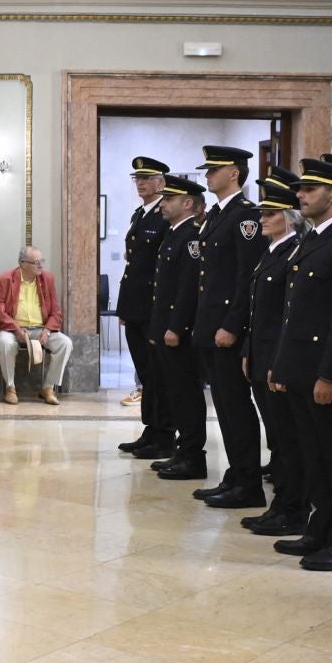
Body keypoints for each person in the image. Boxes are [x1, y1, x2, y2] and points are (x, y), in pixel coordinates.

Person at [270, 157, 332, 569]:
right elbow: (294, 313)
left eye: (310, 189)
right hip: (300, 368)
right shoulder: (311, 240)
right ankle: (320, 528)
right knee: (313, 456)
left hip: (325, 373)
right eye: (301, 188)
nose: (300, 194)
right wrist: (282, 364)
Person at [191, 146, 267, 506]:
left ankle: (249, 484)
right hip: (211, 326)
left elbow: (246, 277)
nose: (207, 175)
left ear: (234, 173)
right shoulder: (218, 214)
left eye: (214, 170)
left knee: (236, 406)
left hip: (227, 329)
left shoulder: (245, 217)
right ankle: (235, 475)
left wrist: (233, 324)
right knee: (222, 405)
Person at [240, 175, 308, 537]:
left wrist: (278, 363)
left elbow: (287, 317)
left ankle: (291, 507)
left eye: (270, 213)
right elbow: (258, 312)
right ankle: (281, 504)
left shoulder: (293, 253)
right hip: (262, 357)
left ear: (290, 218)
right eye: (262, 213)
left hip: (277, 361)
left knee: (287, 440)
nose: (262, 219)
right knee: (278, 436)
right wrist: (248, 351)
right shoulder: (272, 251)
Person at [149, 175, 208, 481]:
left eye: (169, 199)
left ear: (187, 204)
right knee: (175, 393)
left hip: (179, 332)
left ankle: (193, 456)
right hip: (165, 328)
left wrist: (176, 327)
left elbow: (188, 288)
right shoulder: (174, 234)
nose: (163, 204)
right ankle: (183, 451)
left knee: (187, 394)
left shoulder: (191, 237)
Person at [115, 157, 173, 457]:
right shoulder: (140, 214)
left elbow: (162, 271)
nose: (141, 183)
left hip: (153, 310)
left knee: (158, 375)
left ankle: (164, 435)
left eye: (147, 178)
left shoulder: (165, 216)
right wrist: (125, 309)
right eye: (137, 178)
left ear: (161, 182)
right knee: (145, 374)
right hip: (136, 308)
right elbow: (133, 267)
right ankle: (150, 429)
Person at [0, 247, 70, 405]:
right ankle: (10, 387)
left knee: (65, 343)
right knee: (5, 343)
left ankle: (48, 388)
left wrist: (47, 331)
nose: (40, 265)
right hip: (12, 329)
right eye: (36, 262)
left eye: (41, 261)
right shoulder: (5, 279)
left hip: (40, 328)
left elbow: (56, 311)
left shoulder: (47, 279)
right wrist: (16, 329)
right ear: (22, 263)